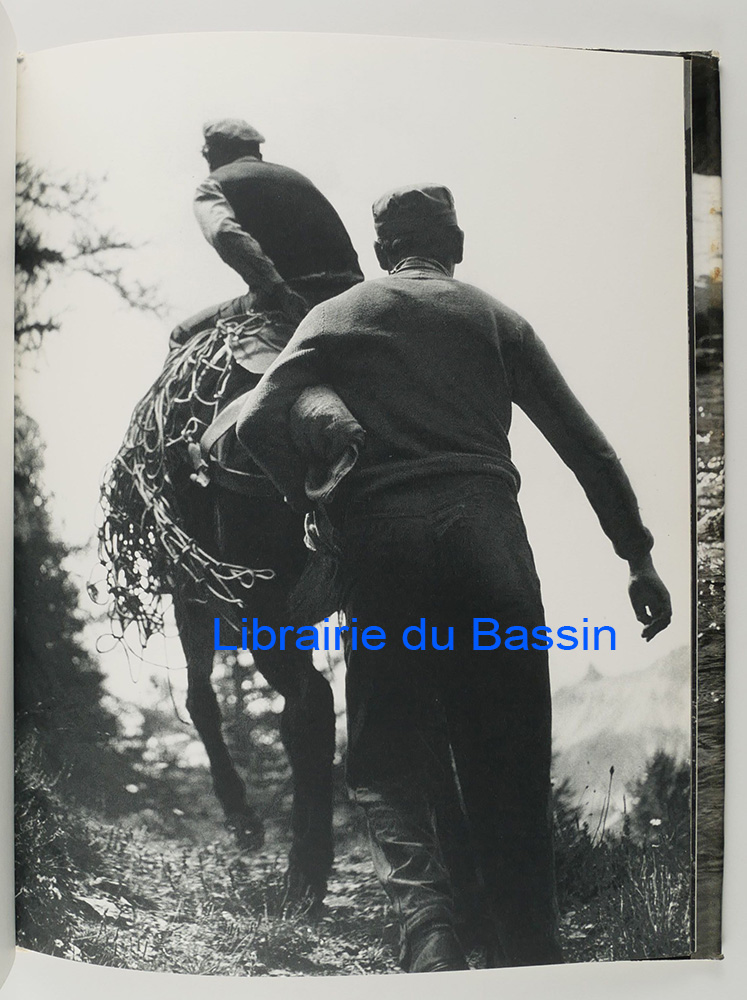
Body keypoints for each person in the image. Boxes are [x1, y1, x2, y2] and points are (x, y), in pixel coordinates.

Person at [234, 184, 673, 972]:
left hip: (383, 552)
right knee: (509, 764)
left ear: (380, 251)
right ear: (456, 244)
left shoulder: (337, 315)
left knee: (384, 758)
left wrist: (313, 501)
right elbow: (587, 446)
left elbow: (256, 417)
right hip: (490, 548)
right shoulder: (496, 319)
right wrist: (634, 554)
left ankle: (428, 934)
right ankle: (528, 958)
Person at [169, 118, 363, 351]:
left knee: (181, 335)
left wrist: (278, 289)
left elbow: (223, 232)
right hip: (350, 299)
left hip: (288, 301)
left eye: (206, 154)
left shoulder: (214, 185)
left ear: (215, 153)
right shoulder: (298, 179)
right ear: (256, 151)